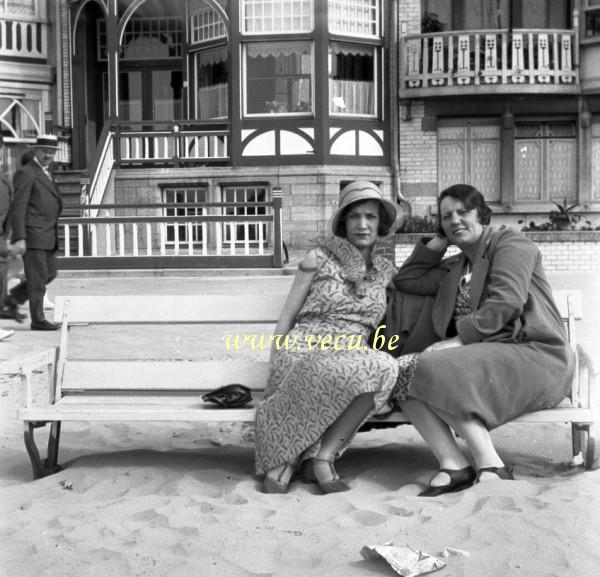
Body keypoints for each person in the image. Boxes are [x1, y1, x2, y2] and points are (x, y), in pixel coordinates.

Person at [389, 184, 575, 496]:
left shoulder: (511, 245)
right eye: (447, 216)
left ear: (482, 214)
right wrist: (440, 240)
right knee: (401, 371)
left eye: (463, 212)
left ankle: (490, 464)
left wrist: (458, 341)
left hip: (533, 352)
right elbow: (407, 279)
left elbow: (506, 302)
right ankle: (453, 464)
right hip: (487, 358)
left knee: (424, 365)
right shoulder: (456, 266)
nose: (455, 219)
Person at [255, 181, 401, 494]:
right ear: (343, 223)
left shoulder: (384, 270)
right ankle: (289, 456)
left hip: (350, 349)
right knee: (306, 364)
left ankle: (323, 456)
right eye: (355, 217)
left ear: (381, 224)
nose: (363, 225)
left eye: (371, 217)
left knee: (384, 367)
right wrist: (277, 355)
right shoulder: (318, 258)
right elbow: (287, 316)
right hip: (307, 341)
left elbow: (424, 278)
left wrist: (439, 242)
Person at [4, 134, 62, 331]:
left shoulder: (45, 172)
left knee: (50, 273)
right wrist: (19, 237)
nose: (48, 155)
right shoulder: (27, 173)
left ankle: (13, 299)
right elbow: (18, 206)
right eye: (45, 151)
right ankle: (38, 319)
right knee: (38, 279)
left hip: (48, 234)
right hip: (34, 234)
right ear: (35, 151)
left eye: (52, 152)